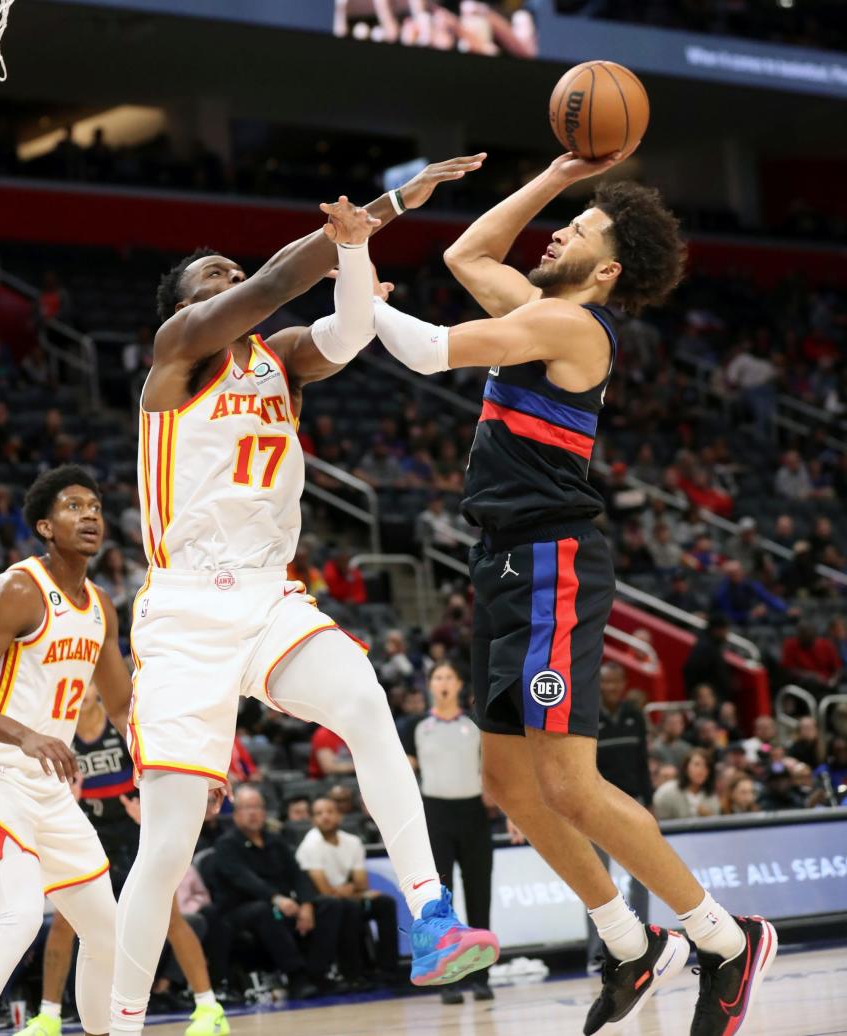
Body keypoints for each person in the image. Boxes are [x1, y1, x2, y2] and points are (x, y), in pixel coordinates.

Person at [373, 150, 775, 1034]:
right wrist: (557, 177)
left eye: (581, 227)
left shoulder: (575, 329)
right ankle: (630, 944)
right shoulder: (543, 308)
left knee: (572, 787)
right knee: (510, 786)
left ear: (606, 270)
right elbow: (467, 259)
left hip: (554, 560)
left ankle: (722, 936)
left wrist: (352, 275)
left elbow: (429, 348)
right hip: (504, 561)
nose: (559, 229)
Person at [111, 157, 498, 1034]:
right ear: (184, 306)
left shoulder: (278, 358)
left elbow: (351, 328)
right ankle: (122, 1021)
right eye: (214, 283)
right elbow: (286, 278)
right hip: (182, 615)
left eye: (233, 276)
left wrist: (355, 253)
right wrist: (380, 212)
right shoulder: (177, 356)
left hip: (268, 597)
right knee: (168, 841)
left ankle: (430, 915)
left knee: (365, 701)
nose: (232, 287)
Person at [0, 465, 135, 1036]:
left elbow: (121, 708)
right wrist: (24, 734)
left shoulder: (100, 606)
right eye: (74, 507)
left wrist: (175, 766)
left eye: (94, 506)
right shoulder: (17, 589)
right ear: (45, 526)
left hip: (47, 785)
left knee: (106, 928)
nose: (90, 515)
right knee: (20, 919)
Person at [21, 685, 229, 1036]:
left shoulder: (120, 727)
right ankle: (48, 1017)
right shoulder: (60, 734)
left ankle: (209, 1007)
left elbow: (156, 768)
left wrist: (150, 809)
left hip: (132, 829)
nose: (83, 690)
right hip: (86, 831)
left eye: (89, 682)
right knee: (64, 923)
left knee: (170, 917)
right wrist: (65, 799)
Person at [401, 661, 493, 1005]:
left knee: (479, 893)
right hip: (435, 816)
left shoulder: (475, 725)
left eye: (449, 677)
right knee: (441, 902)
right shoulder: (415, 726)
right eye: (437, 677)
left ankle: (483, 976)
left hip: (473, 814)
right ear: (429, 685)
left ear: (458, 685)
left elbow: (492, 771)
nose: (443, 683)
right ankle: (448, 980)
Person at [211, 785, 344, 998]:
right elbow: (245, 880)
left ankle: (318, 973)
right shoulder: (226, 845)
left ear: (265, 812)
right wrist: (276, 898)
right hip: (239, 910)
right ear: (235, 815)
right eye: (246, 808)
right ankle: (296, 977)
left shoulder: (276, 841)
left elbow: (298, 874)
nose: (253, 813)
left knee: (330, 905)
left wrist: (307, 905)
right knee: (264, 910)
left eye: (257, 807)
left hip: (284, 905)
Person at [588, 662, 651, 970]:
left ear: (624, 683)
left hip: (633, 806)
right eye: (606, 682)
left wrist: (649, 803)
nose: (611, 687)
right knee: (597, 881)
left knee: (641, 878)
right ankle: (599, 953)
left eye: (616, 682)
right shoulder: (588, 716)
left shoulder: (634, 715)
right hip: (598, 807)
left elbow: (643, 762)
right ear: (599, 684)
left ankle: (643, 945)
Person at [296, 796, 399, 984]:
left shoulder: (352, 842)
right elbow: (324, 889)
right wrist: (352, 890)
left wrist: (351, 890)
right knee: (345, 906)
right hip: (322, 904)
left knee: (385, 903)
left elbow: (362, 883)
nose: (325, 817)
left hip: (349, 897)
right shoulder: (309, 845)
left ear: (340, 816)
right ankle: (353, 973)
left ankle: (388, 969)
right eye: (319, 813)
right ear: (313, 820)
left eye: (330, 812)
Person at [653, 751, 721, 820]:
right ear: (686, 768)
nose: (701, 770)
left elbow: (718, 825)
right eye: (697, 765)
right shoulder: (666, 793)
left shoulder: (712, 797)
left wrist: (709, 816)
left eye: (706, 766)